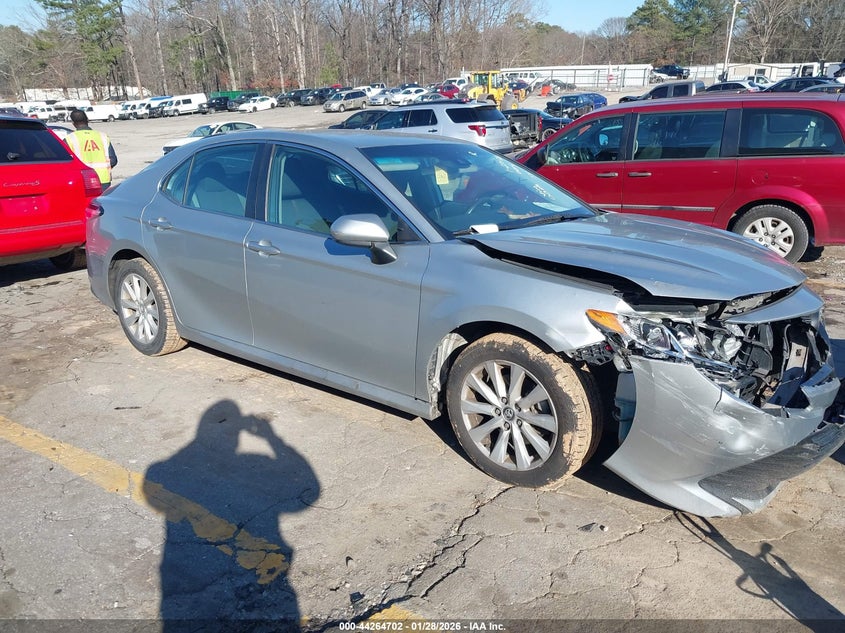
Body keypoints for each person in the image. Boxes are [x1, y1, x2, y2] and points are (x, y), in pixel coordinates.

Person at [65, 108, 118, 188]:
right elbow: (113, 160)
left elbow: (66, 163)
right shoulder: (103, 136)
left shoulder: (69, 139)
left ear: (73, 123)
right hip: (103, 179)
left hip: (83, 180)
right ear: (87, 120)